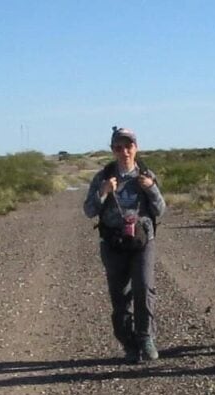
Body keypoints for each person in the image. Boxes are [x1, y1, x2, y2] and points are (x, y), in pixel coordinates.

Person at [83, 127, 166, 363]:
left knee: (144, 287)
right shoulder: (103, 177)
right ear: (113, 150)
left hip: (143, 241)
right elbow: (89, 211)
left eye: (128, 146)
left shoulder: (146, 175)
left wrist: (151, 188)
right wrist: (103, 192)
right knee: (120, 297)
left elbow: (161, 210)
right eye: (119, 147)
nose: (124, 151)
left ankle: (146, 336)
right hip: (113, 243)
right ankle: (129, 344)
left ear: (135, 148)